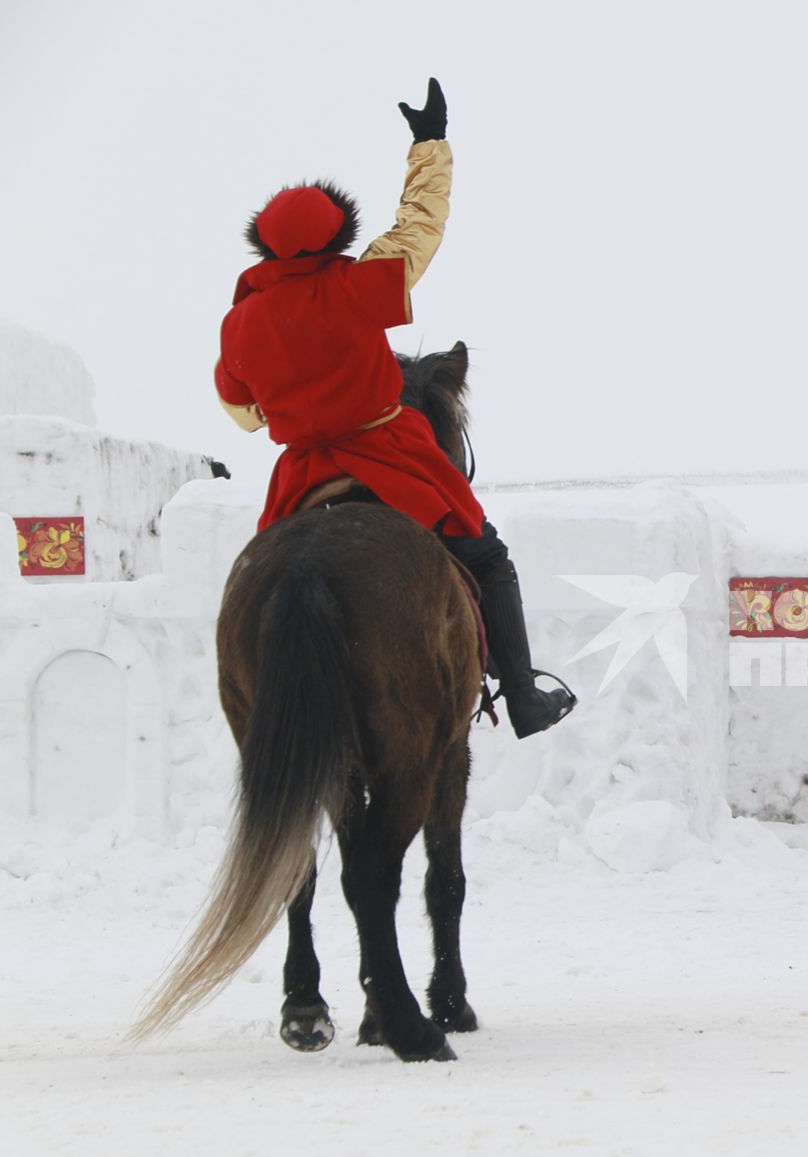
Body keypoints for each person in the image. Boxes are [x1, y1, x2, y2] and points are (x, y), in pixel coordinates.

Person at [214, 79, 574, 739]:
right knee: (488, 557)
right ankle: (523, 697)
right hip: (391, 455)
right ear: (335, 235)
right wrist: (429, 144)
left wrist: (290, 401)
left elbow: (243, 413)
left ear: (264, 243)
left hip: (300, 472)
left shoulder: (241, 322)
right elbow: (420, 228)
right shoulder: (355, 284)